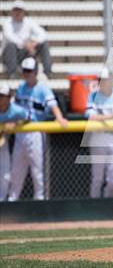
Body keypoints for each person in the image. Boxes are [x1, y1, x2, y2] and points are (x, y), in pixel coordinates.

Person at [7, 57, 67, 201]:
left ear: (36, 72)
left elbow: (53, 105)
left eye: (30, 71)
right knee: (16, 171)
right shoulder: (21, 87)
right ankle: (12, 201)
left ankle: (40, 201)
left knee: (38, 170)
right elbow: (15, 108)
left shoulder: (42, 89)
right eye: (25, 71)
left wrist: (59, 117)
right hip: (21, 131)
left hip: (36, 131)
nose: (27, 74)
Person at [85, 69, 113, 199]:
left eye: (104, 79)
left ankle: (107, 204)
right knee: (97, 177)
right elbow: (89, 116)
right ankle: (94, 207)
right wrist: (112, 115)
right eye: (99, 79)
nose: (101, 82)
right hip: (98, 137)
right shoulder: (93, 96)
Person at [1, 0, 52, 79]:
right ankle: (12, 73)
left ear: (24, 12)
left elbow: (42, 33)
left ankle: (48, 71)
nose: (18, 12)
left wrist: (34, 42)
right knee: (11, 46)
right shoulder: (7, 23)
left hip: (24, 52)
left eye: (20, 10)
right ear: (12, 11)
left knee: (44, 44)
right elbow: (10, 37)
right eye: (16, 10)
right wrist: (25, 44)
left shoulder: (29, 22)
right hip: (10, 54)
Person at [0, 84, 30, 201]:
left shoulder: (15, 110)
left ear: (8, 98)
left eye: (2, 96)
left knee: (6, 176)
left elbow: (28, 116)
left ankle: (1, 203)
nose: (0, 99)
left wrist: (16, 122)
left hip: (2, 143)